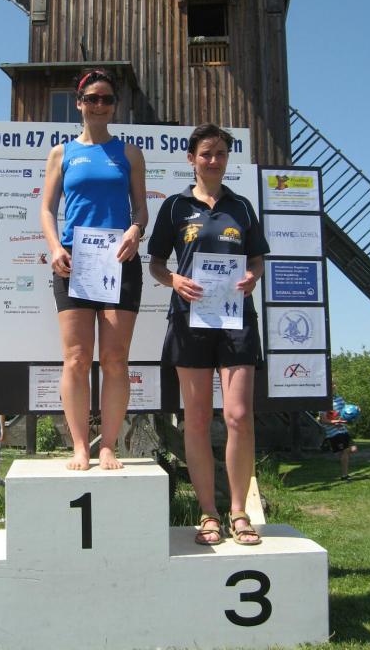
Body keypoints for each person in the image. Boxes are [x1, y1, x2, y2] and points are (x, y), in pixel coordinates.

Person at [148, 123, 269, 546]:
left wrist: (252, 276)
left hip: (236, 320)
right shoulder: (175, 207)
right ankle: (208, 513)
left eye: (220, 153)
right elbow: (156, 264)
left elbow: (256, 260)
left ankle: (239, 511)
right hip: (190, 319)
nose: (213, 160)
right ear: (191, 159)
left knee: (238, 416)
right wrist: (174, 281)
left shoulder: (242, 207)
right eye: (206, 153)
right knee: (197, 419)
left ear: (227, 159)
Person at [41, 68, 147, 471]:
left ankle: (109, 446)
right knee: (76, 358)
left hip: (120, 258)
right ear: (79, 103)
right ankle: (80, 446)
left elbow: (141, 209)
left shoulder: (130, 153)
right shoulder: (62, 153)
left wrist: (136, 230)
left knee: (116, 359)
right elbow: (47, 209)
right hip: (75, 259)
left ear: (114, 106)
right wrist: (55, 247)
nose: (99, 105)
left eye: (107, 99)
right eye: (92, 98)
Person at [319, 380, 358, 481]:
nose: (334, 386)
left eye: (334, 384)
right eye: (332, 384)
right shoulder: (323, 401)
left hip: (343, 429)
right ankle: (345, 475)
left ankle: (337, 453)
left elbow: (346, 412)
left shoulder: (339, 399)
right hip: (333, 432)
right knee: (345, 451)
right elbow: (323, 420)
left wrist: (356, 410)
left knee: (353, 449)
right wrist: (335, 422)